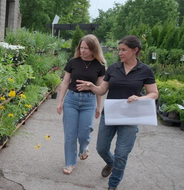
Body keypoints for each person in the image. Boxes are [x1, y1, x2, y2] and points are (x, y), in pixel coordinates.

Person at [76, 35, 159, 190]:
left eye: (123, 50)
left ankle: (113, 184)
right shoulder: (114, 68)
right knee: (101, 148)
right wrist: (91, 86)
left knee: (121, 154)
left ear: (135, 50)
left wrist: (140, 98)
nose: (120, 53)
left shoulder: (145, 70)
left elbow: (154, 93)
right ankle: (110, 162)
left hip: (130, 116)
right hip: (111, 114)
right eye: (119, 49)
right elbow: (102, 90)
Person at [57, 34, 106, 175]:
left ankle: (84, 147)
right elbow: (65, 82)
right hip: (71, 100)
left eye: (86, 48)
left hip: (89, 102)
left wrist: (98, 106)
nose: (83, 50)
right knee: (70, 134)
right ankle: (70, 163)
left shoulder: (99, 66)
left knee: (85, 132)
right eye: (81, 47)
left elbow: (100, 88)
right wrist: (60, 101)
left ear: (94, 49)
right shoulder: (73, 62)